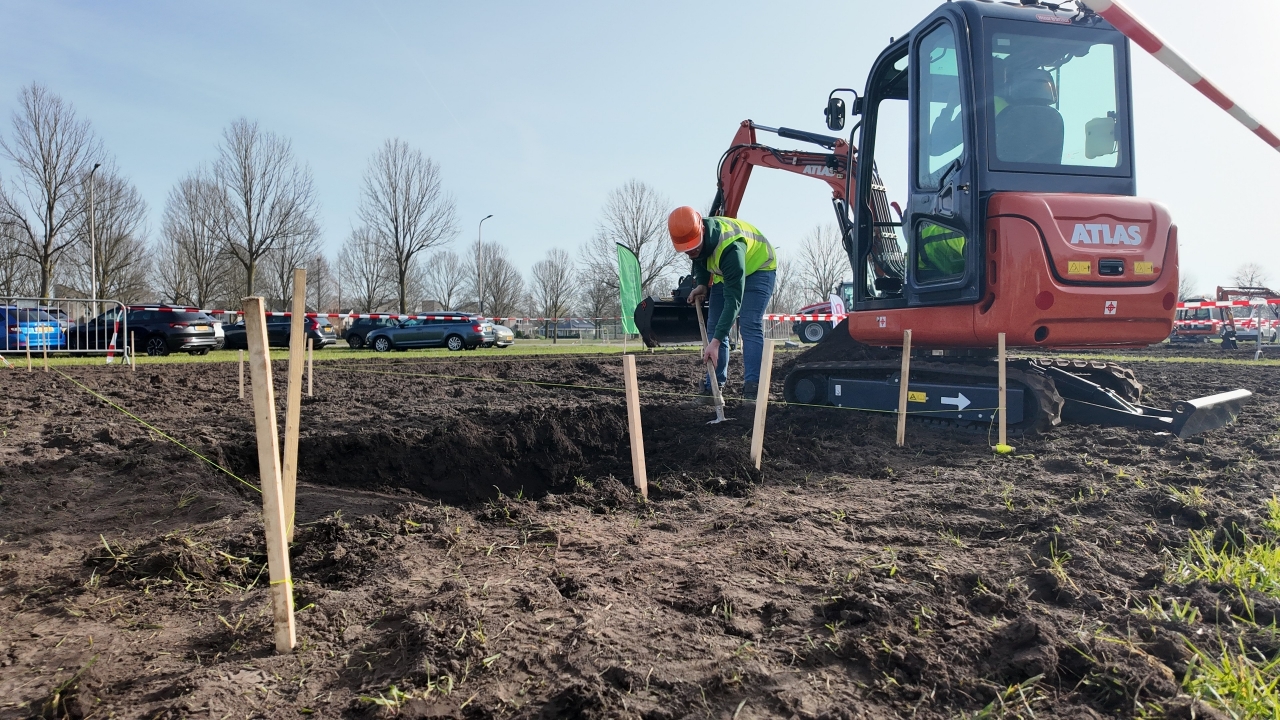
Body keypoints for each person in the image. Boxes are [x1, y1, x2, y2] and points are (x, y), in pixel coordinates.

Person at [668, 206, 776, 401]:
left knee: (749, 324)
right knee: (714, 327)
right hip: (724, 274)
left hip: (759, 269)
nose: (691, 253)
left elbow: (733, 302)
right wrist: (702, 284)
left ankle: (753, 389)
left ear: (701, 232)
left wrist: (716, 342)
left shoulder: (730, 248)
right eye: (687, 251)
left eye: (694, 248)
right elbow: (699, 259)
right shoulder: (694, 240)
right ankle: (714, 388)